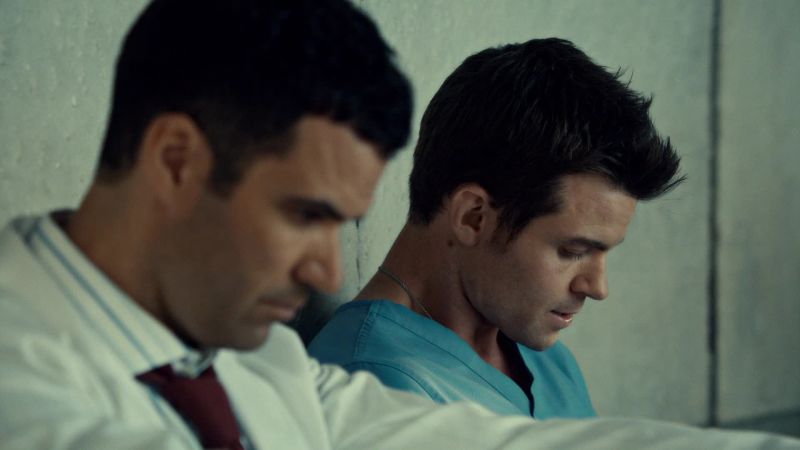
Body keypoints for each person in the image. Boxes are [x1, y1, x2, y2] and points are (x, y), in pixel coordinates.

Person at [0, 0, 798, 448]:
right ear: (176, 160)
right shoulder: (22, 382)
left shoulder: (259, 360)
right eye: (305, 214)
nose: (330, 274)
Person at [309, 38, 681, 420]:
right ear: (473, 216)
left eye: (605, 251)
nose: (598, 288)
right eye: (573, 251)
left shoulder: (548, 361)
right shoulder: (373, 388)